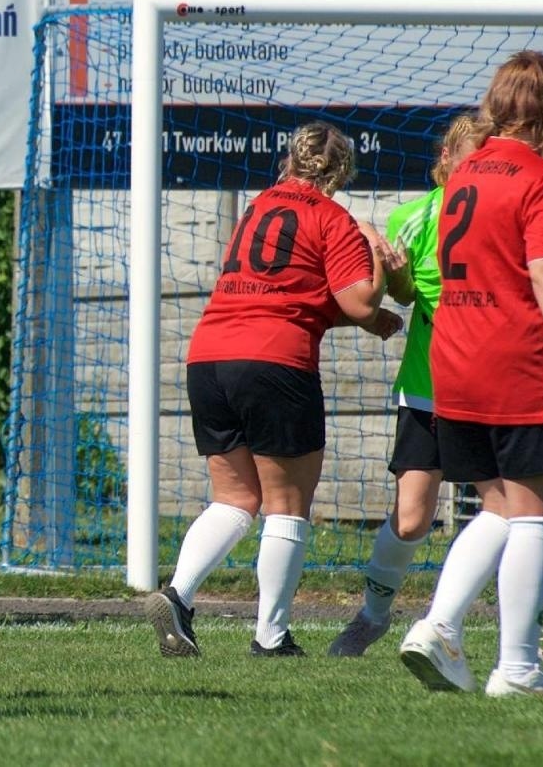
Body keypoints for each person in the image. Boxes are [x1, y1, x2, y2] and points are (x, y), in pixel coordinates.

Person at [334, 119, 543, 658]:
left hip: (491, 381)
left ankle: (509, 638)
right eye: (472, 155)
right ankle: (374, 616)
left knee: (515, 511)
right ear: (448, 158)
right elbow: (408, 294)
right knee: (415, 518)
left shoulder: (514, 201)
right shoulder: (417, 216)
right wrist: (391, 273)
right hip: (430, 383)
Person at [143, 121, 399, 658]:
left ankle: (178, 595)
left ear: (290, 161)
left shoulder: (256, 209)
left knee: (235, 498)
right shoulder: (331, 216)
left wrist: (368, 320)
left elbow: (285, 292)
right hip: (275, 362)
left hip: (210, 357)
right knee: (287, 505)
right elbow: (358, 300)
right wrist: (375, 248)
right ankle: (271, 636)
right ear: (340, 173)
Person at [399, 50, 543, 698]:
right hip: (516, 358)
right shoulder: (539, 178)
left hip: (453, 362)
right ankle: (518, 668)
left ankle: (438, 627)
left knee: (497, 504)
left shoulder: (466, 171)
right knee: (539, 514)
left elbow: (497, 250)